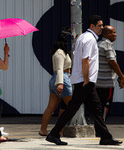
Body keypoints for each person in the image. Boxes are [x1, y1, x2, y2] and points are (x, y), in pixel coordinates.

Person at [45, 15, 122, 145]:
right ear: (92, 26)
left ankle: (105, 136)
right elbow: (85, 60)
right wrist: (87, 79)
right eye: (100, 26)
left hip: (84, 80)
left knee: (96, 109)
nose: (101, 28)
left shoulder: (83, 37)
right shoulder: (90, 39)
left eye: (102, 25)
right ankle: (54, 133)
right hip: (85, 81)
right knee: (74, 108)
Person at [39, 28, 72, 136]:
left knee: (52, 107)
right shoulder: (59, 53)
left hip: (57, 79)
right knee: (71, 107)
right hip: (62, 78)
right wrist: (61, 83)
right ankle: (58, 131)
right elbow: (59, 69)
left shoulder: (61, 52)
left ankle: (44, 130)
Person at [96, 25, 124, 122]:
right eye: (114, 32)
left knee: (98, 107)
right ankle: (101, 129)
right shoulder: (107, 45)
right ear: (108, 34)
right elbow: (112, 62)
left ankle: (98, 128)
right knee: (105, 107)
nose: (115, 35)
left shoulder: (98, 44)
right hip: (106, 83)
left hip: (97, 82)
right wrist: (121, 76)